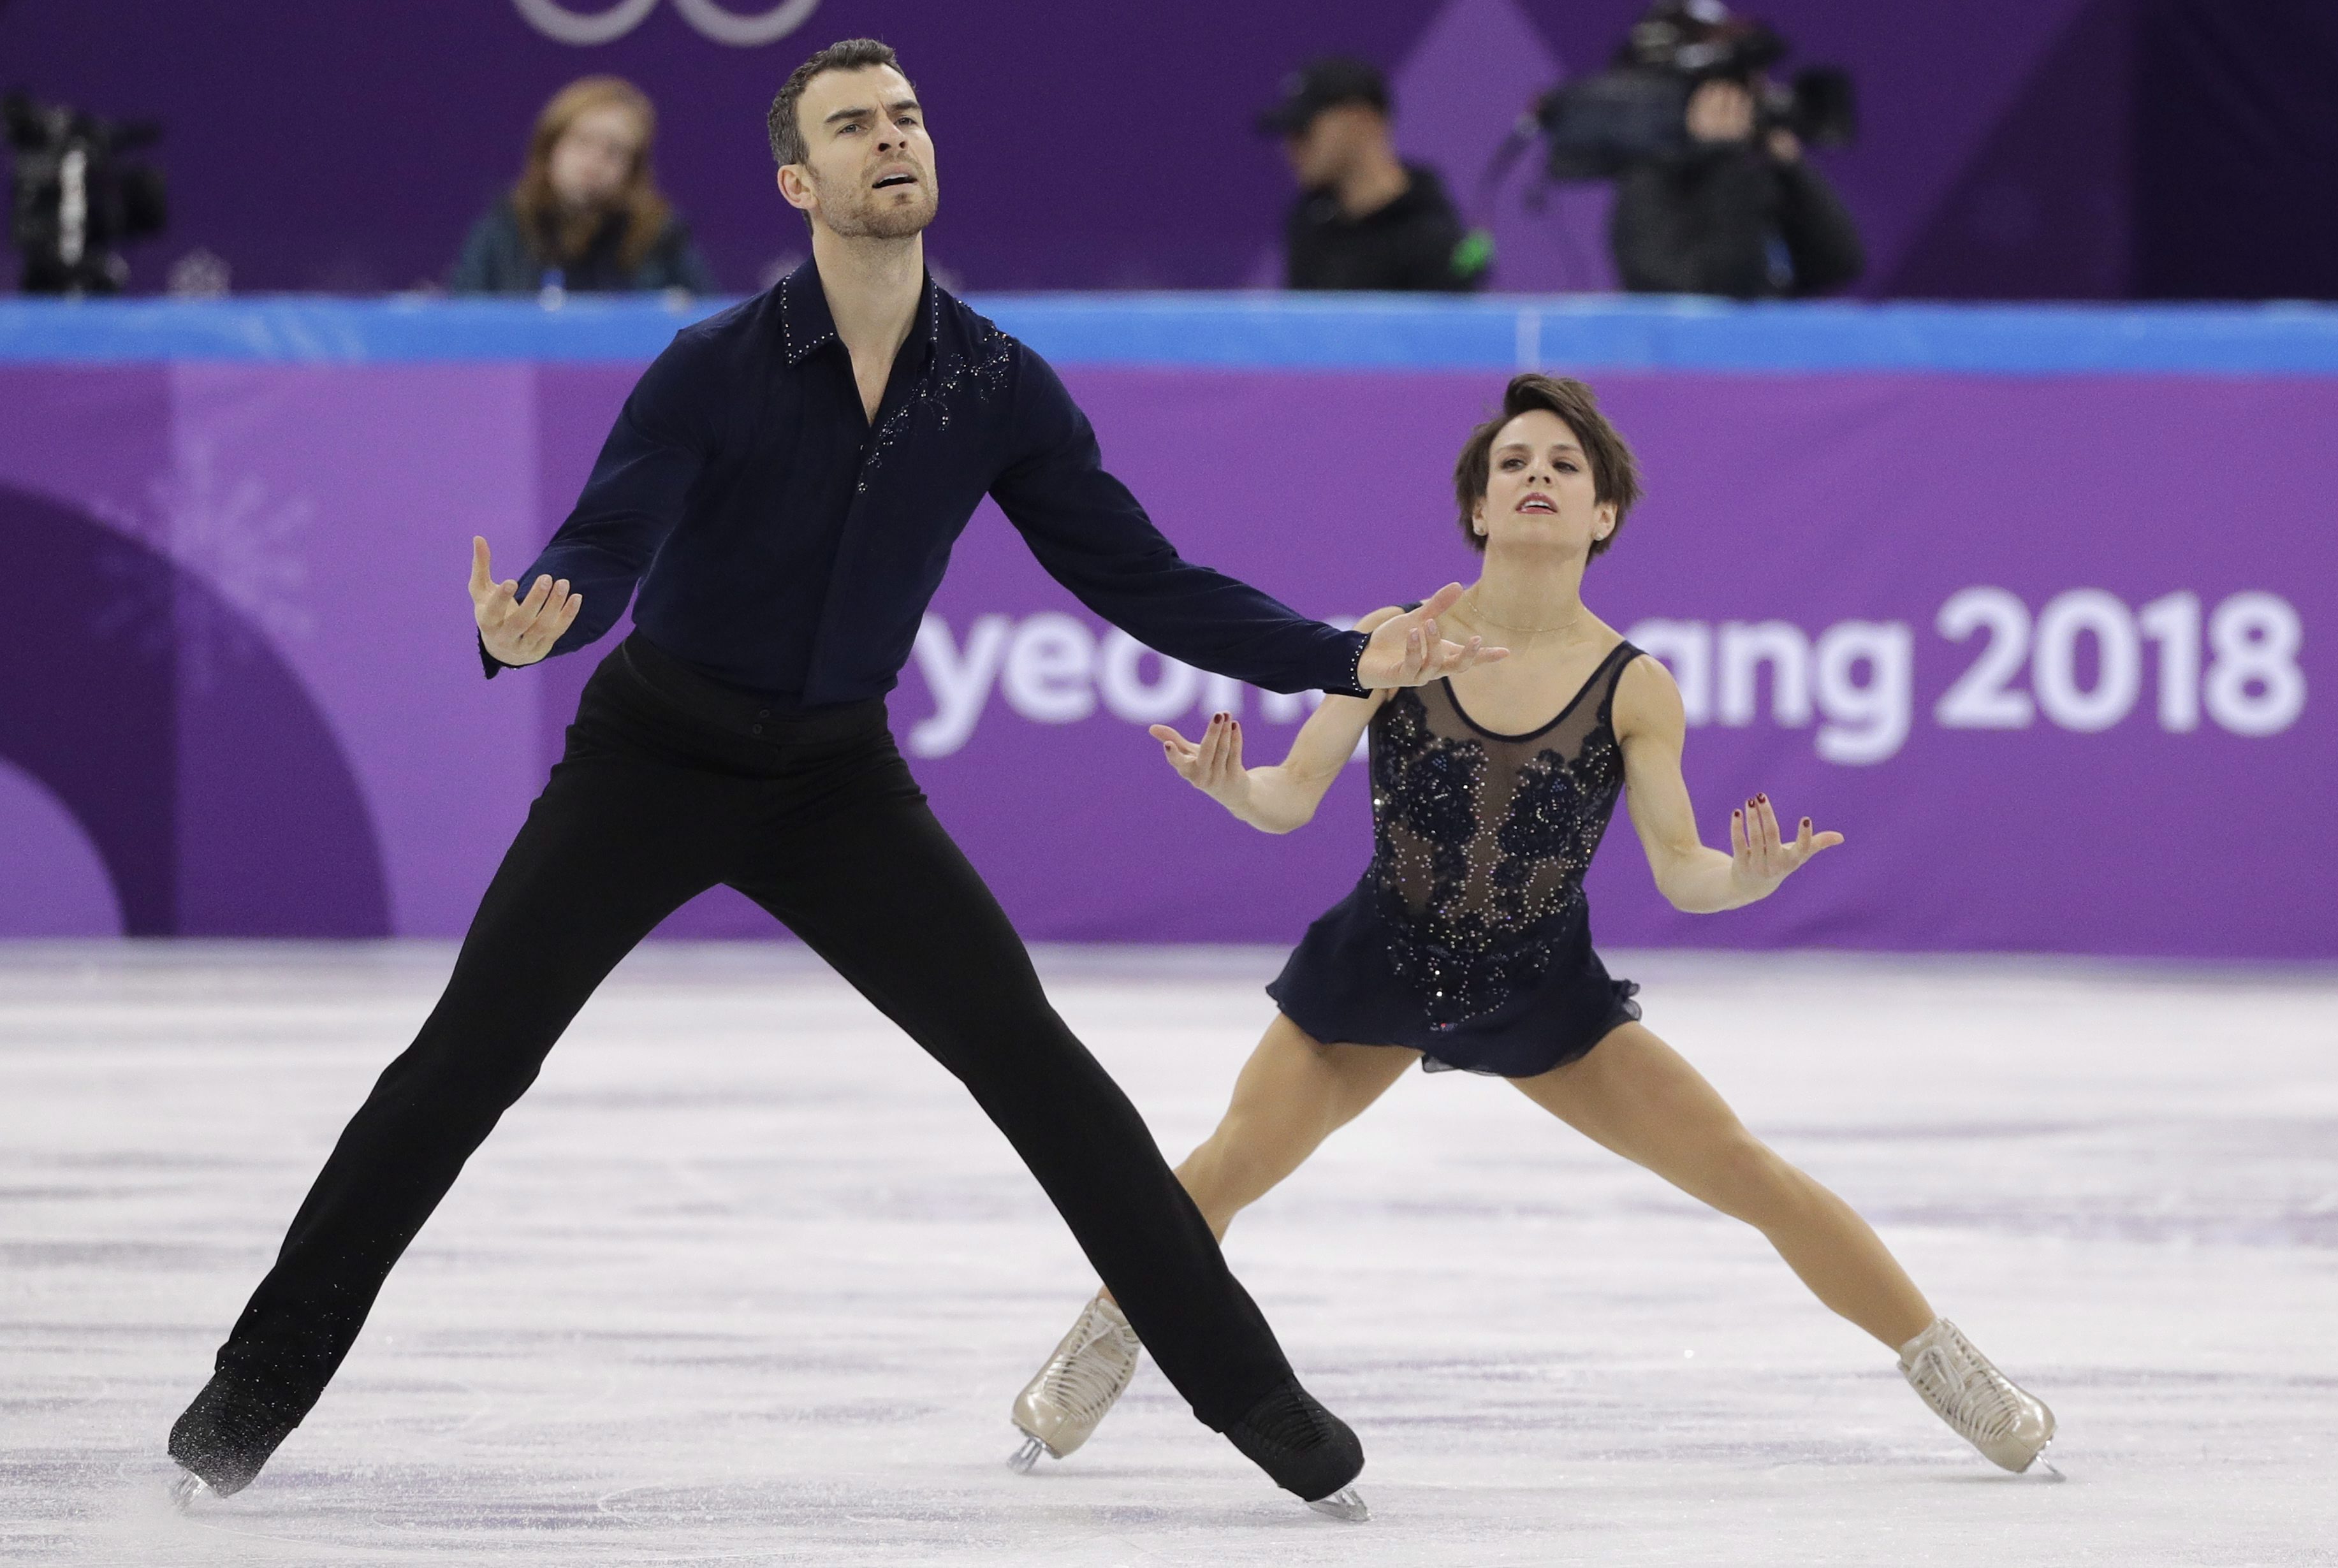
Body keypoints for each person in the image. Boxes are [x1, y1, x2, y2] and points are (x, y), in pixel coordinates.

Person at [166, 37, 1512, 1522]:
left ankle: (1254, 1398)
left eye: (909, 117)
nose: (892, 139)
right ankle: (247, 1398)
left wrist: (1337, 657)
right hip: (652, 757)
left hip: (832, 784)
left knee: (1042, 1073)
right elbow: (609, 538)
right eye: (854, 125)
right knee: (460, 1068)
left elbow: (1140, 579)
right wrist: (532, 615)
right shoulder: (715, 366)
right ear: (800, 180)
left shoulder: (993, 382)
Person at [1007, 372, 2060, 1483]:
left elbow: (1684, 873)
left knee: (1748, 1173)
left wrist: (1749, 879)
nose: (1536, 478)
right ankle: (1100, 1344)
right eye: (1512, 463)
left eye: (1564, 465)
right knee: (1220, 1170)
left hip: (1539, 989)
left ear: (1602, 514)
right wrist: (1235, 792)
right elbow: (1286, 799)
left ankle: (1948, 1368)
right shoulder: (1395, 640)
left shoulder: (1633, 685)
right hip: (1375, 971)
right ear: (1476, 508)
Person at [449, 76, 715, 296]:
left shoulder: (660, 237)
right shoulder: (505, 227)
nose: (595, 160)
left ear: (633, 170)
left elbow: (708, 332)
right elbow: (462, 327)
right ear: (551, 147)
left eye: (614, 150)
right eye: (583, 141)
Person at [1610, 73, 1864, 298]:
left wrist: (1791, 168)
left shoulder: (1757, 176)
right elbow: (1726, 288)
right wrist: (1722, 156)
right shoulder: (1650, 182)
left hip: (1769, 345)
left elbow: (1839, 263)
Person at [1259, 58, 1491, 293]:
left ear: (1362, 121)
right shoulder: (1307, 221)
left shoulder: (1435, 241)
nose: (1289, 148)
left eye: (1303, 131)